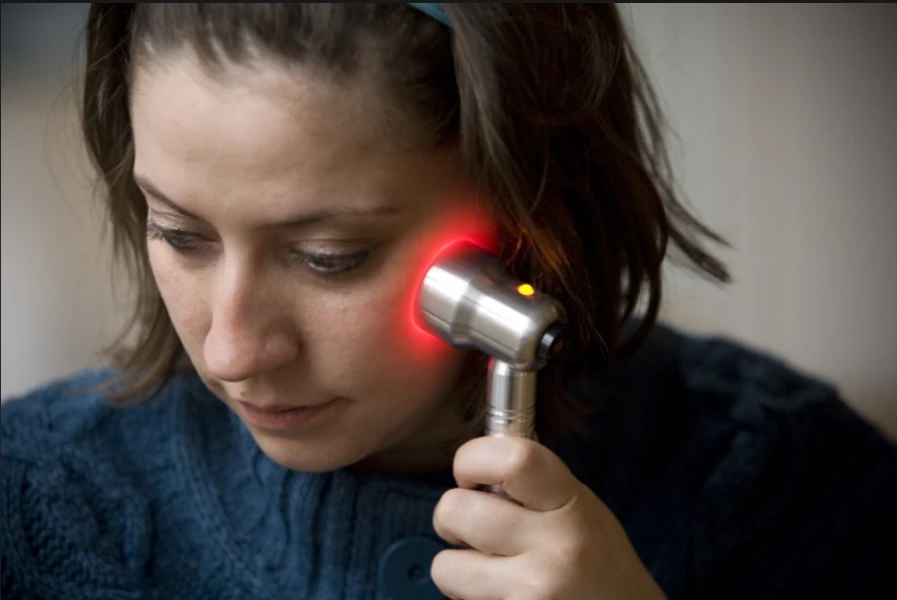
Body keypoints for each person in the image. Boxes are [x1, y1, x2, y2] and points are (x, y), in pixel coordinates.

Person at [2, 3, 895, 599]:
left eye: (328, 257)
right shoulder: (34, 500)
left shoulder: (789, 484)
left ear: (526, 209)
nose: (232, 351)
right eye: (181, 234)